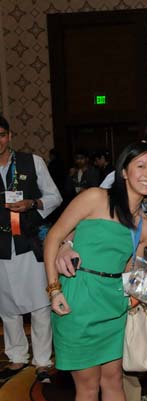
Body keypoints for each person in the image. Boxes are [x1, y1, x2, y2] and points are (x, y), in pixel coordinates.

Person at [43, 142, 147, 401]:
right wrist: (53, 289)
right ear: (124, 171)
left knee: (113, 383)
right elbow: (54, 236)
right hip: (78, 301)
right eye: (141, 166)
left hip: (114, 305)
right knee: (88, 387)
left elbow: (133, 272)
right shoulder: (95, 198)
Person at [0, 114, 62, 383]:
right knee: (6, 305)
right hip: (1, 246)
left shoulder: (32, 162)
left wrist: (32, 204)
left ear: (9, 136)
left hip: (29, 242)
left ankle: (42, 360)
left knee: (39, 304)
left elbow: (54, 197)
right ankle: (16, 356)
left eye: (1, 134)